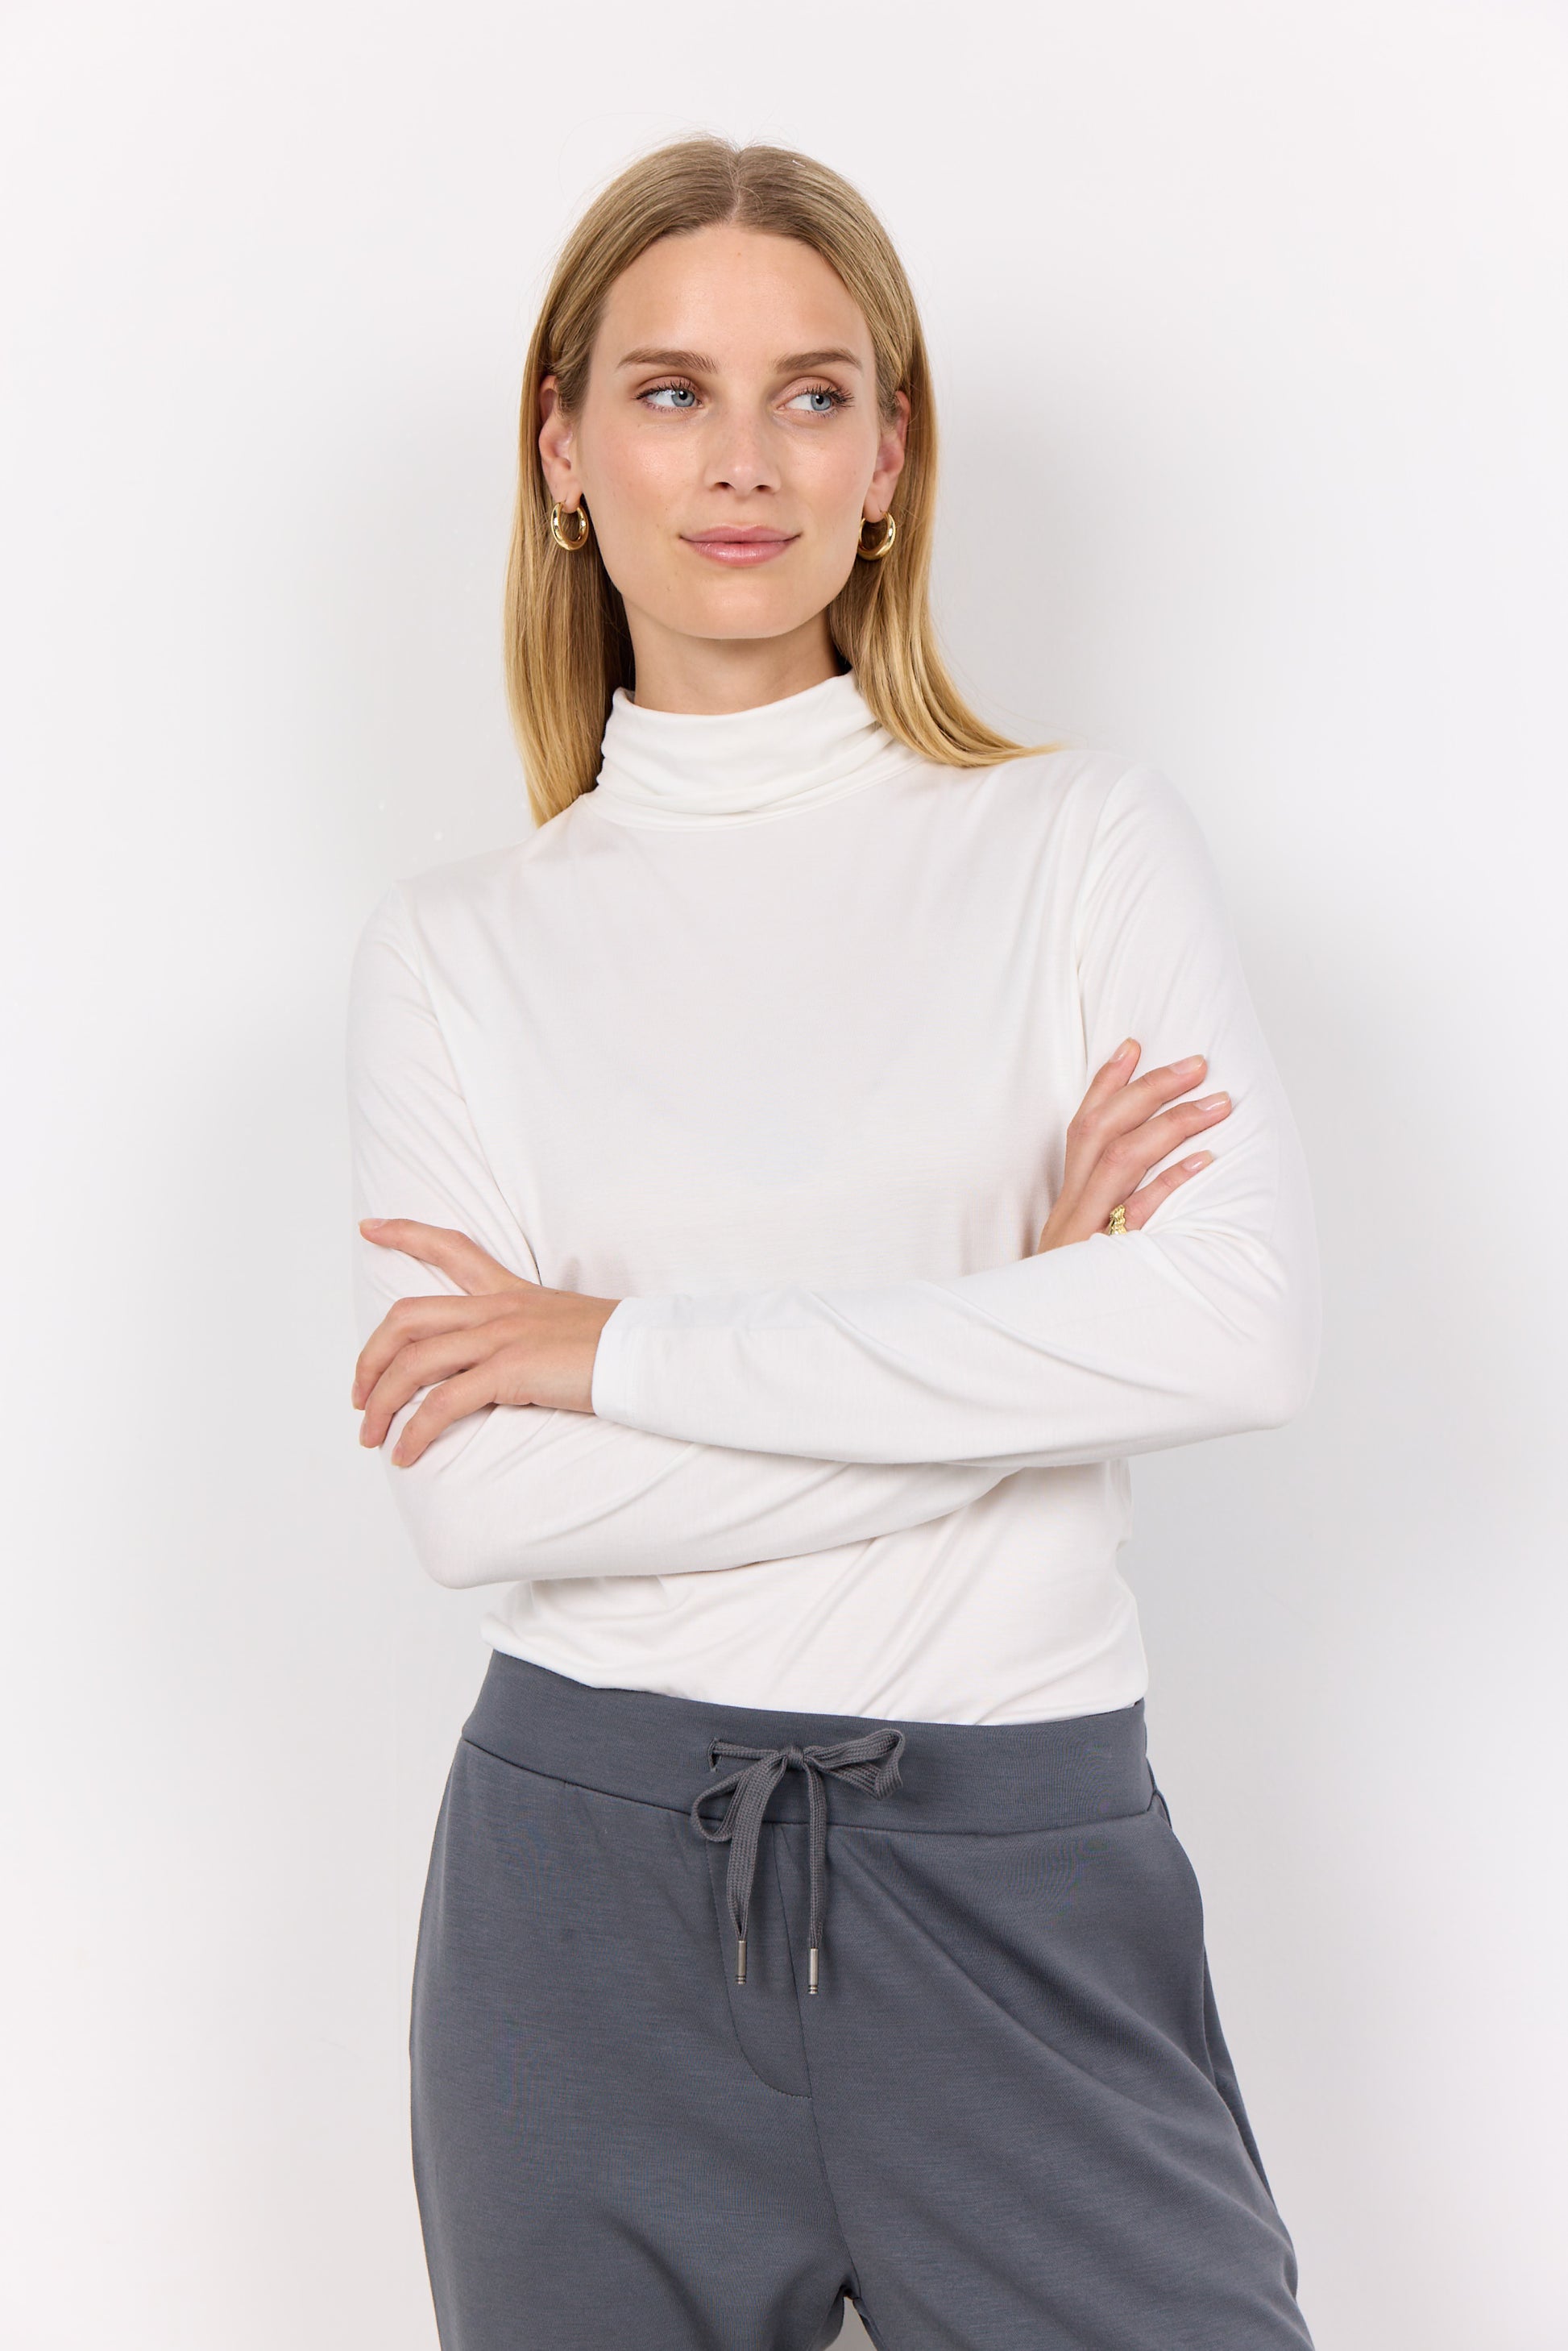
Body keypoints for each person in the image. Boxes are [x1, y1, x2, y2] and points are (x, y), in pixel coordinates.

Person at [345, 135, 1320, 2351]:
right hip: (576, 1903)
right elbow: (475, 1501)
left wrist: (609, 1350)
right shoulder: (457, 953)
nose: (744, 459)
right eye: (671, 390)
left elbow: (1233, 1333)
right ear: (563, 449)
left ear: (891, 457)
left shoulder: (1070, 842)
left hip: (1018, 1873)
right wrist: (1026, 1332)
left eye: (812, 391)